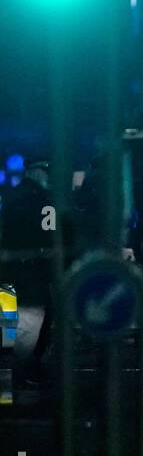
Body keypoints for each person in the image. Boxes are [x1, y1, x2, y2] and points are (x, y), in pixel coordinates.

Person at [0, 161, 56, 383]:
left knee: (7, 322)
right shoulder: (44, 200)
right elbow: (50, 234)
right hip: (34, 272)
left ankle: (6, 376)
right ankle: (27, 371)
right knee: (40, 319)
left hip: (7, 269)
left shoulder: (8, 197)